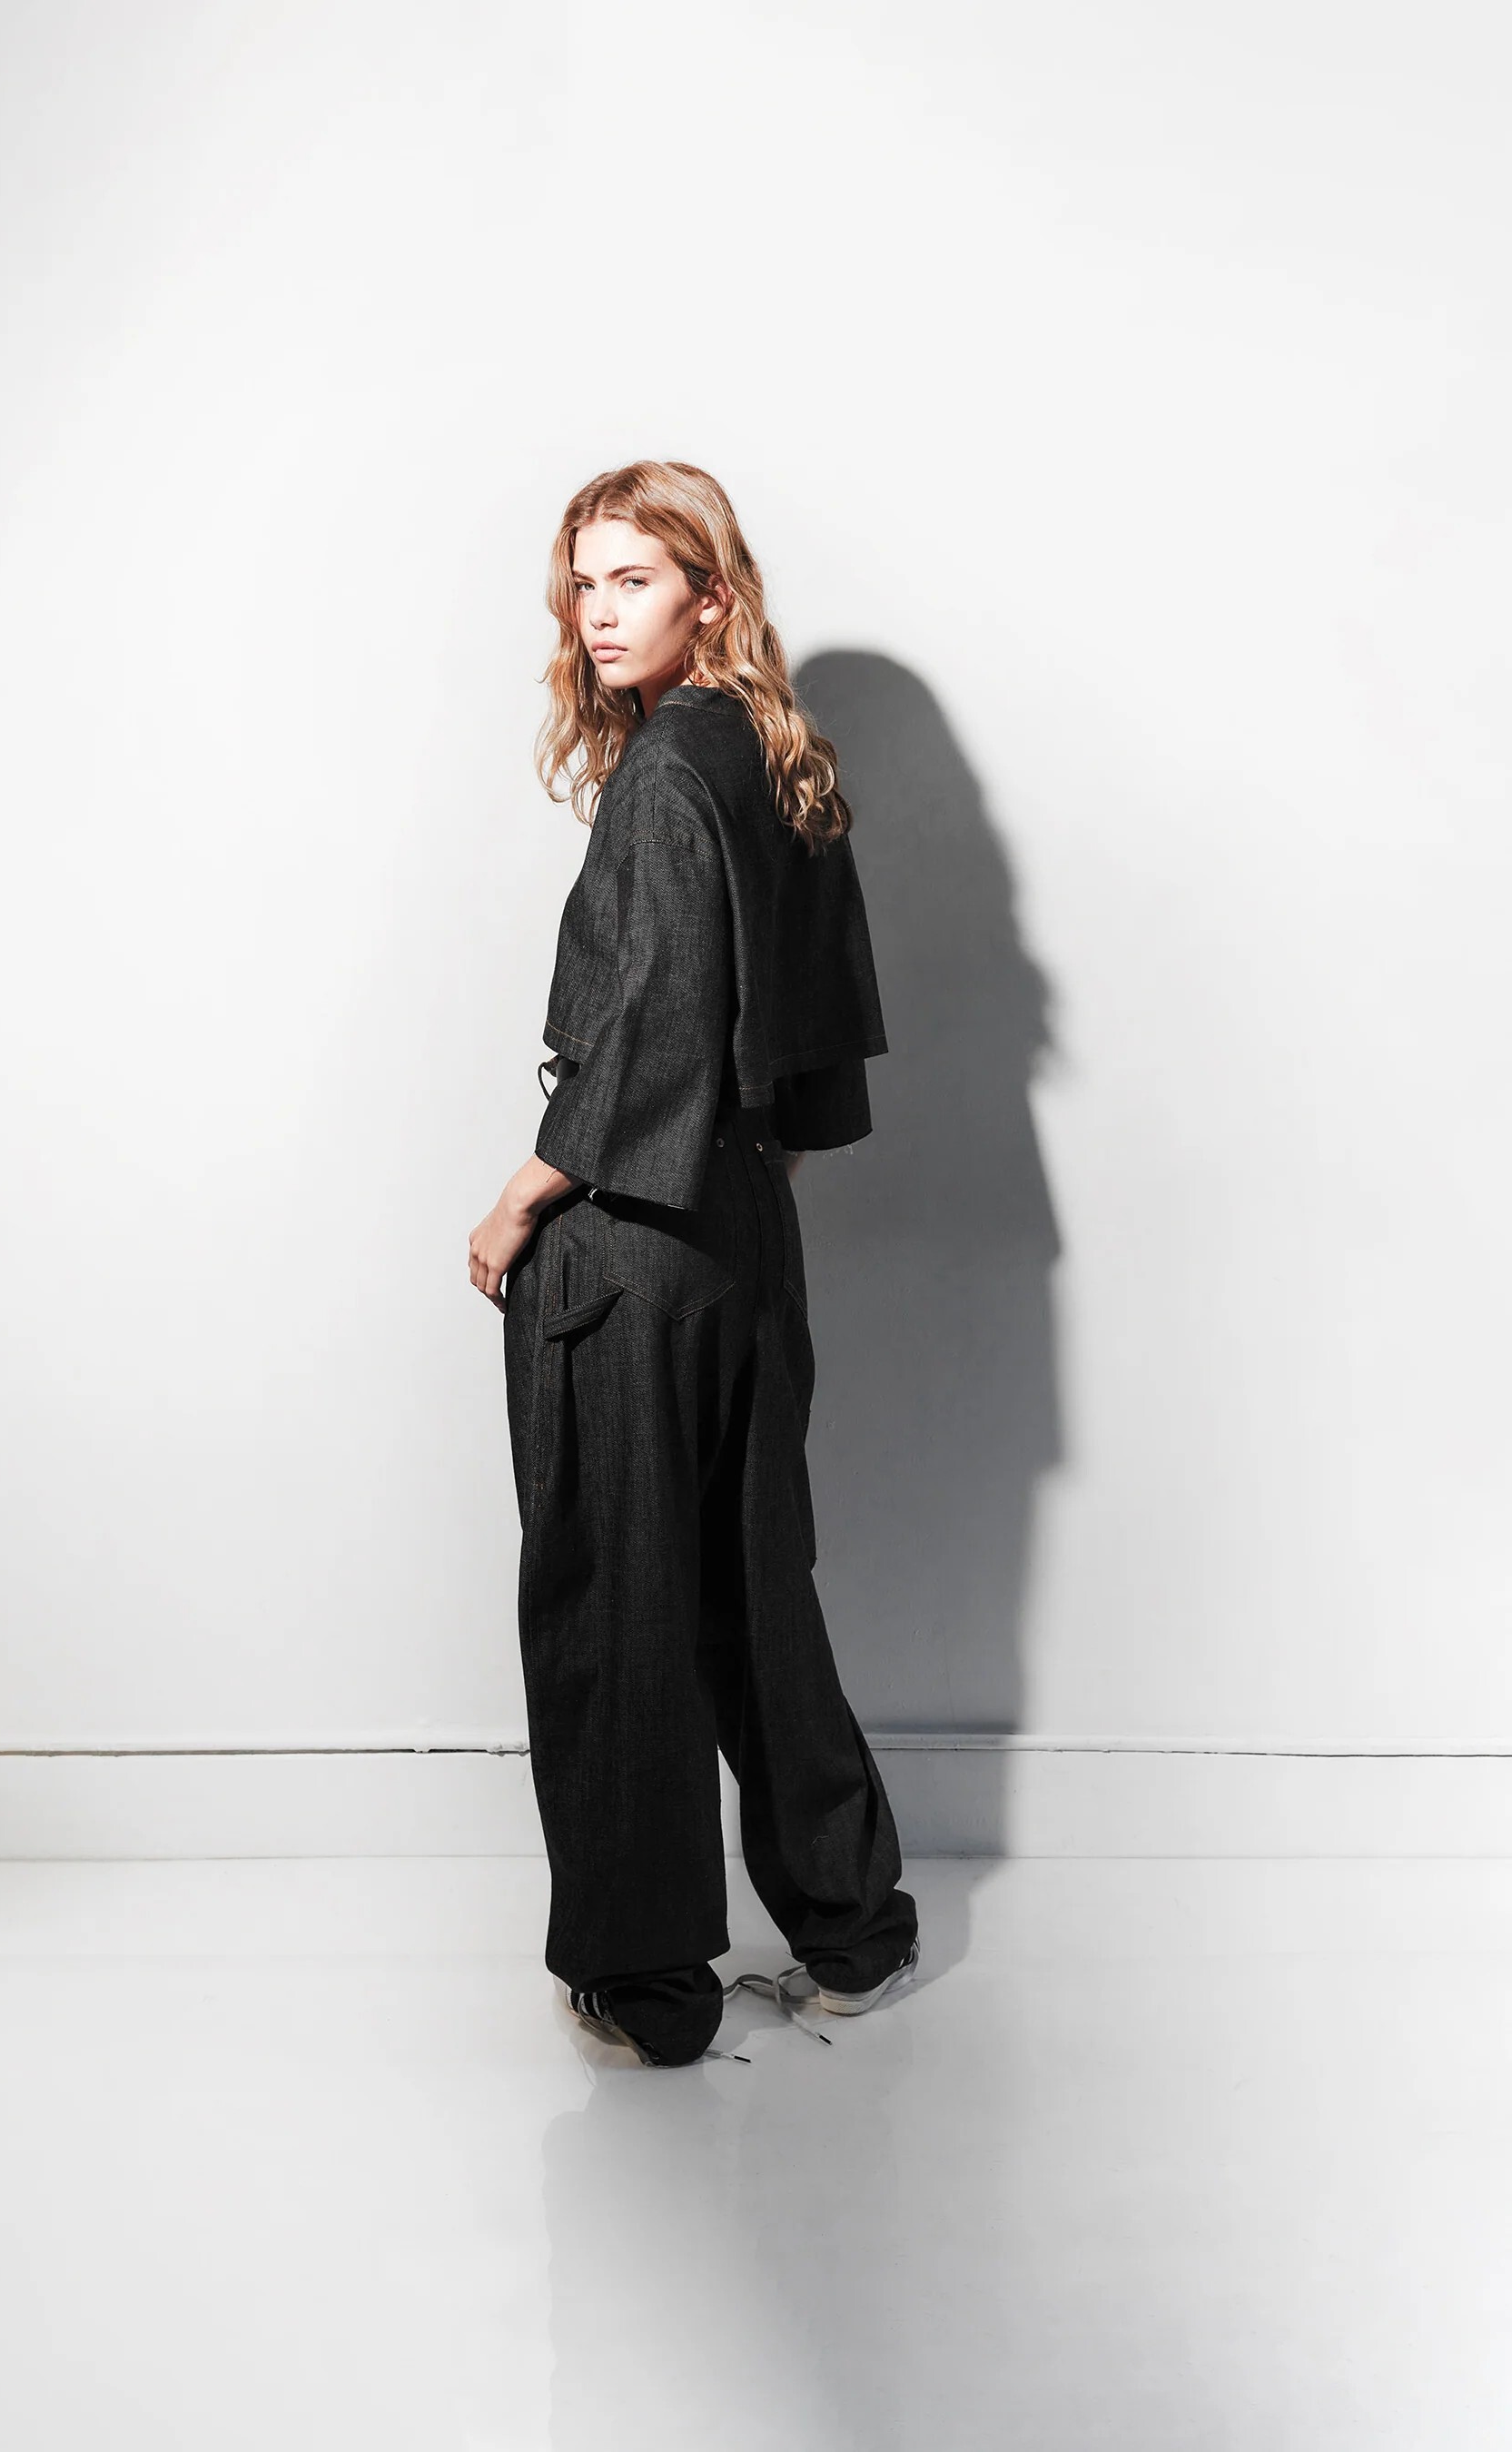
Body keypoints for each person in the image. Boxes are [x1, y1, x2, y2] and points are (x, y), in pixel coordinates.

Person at [468, 460, 919, 2068]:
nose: (598, 615)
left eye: (635, 581)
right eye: (583, 584)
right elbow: (815, 1044)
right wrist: (744, 1181)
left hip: (627, 1247)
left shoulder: (667, 774)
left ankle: (647, 1982)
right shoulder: (778, 758)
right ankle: (853, 1932)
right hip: (742, 1235)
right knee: (753, 1595)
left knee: (615, 1608)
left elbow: (650, 1032)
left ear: (709, 594)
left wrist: (518, 1205)